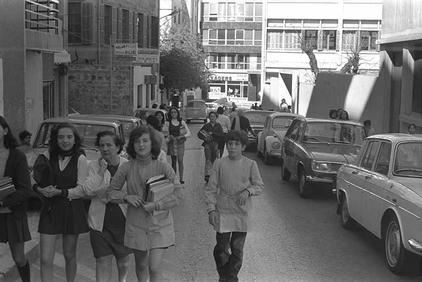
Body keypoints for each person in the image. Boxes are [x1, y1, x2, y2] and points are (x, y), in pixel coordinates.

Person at [48, 131, 131, 282]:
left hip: (124, 222)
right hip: (99, 223)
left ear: (118, 146)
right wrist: (101, 172)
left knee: (123, 262)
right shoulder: (93, 166)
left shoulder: (128, 165)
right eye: (101, 145)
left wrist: (108, 193)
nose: (105, 149)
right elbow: (88, 190)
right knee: (102, 262)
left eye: (109, 145)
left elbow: (131, 191)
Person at [107, 126, 183, 282]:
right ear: (132, 145)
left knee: (154, 267)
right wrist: (125, 197)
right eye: (137, 141)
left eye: (145, 141)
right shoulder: (126, 167)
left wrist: (157, 205)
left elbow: (178, 194)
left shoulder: (163, 167)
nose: (141, 145)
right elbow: (111, 192)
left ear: (152, 143)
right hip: (136, 224)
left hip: (159, 225)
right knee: (141, 266)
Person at [205, 130, 264, 282]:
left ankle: (230, 278)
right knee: (221, 249)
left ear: (243, 147)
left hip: (241, 214)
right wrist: (211, 209)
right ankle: (226, 276)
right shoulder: (220, 163)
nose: (232, 147)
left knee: (237, 250)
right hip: (223, 212)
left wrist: (248, 191)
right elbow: (211, 189)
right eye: (230, 144)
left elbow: (259, 186)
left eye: (236, 144)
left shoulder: (251, 164)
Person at [35, 123, 89, 282]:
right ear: (55, 139)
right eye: (61, 137)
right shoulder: (46, 155)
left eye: (69, 137)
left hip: (71, 209)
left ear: (75, 139)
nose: (65, 140)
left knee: (69, 254)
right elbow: (32, 178)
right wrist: (39, 189)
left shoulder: (80, 158)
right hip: (50, 210)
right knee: (45, 258)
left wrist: (61, 192)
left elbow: (82, 189)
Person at [0, 116, 32, 282]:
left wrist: (2, 202)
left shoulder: (17, 156)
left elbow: (25, 189)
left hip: (13, 214)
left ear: (5, 130)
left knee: (19, 258)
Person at [165, 107, 191, 184]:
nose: (173, 114)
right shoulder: (167, 123)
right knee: (173, 161)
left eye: (175, 112)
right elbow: (165, 134)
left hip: (180, 144)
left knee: (180, 160)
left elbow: (189, 133)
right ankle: (174, 178)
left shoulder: (182, 122)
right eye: (172, 112)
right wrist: (169, 137)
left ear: (177, 113)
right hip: (172, 144)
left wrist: (183, 136)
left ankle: (181, 178)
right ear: (170, 114)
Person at [198, 112, 224, 183]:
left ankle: (215, 175)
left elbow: (221, 135)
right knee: (208, 159)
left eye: (214, 116)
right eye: (211, 116)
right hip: (208, 144)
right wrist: (204, 138)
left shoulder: (218, 126)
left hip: (216, 144)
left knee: (215, 160)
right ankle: (207, 175)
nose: (212, 118)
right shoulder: (206, 126)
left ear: (216, 117)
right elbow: (199, 134)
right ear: (209, 117)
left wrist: (213, 133)